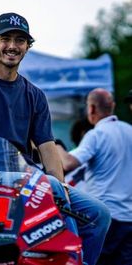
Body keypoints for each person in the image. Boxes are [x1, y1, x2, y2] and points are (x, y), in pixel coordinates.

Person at [0, 12, 110, 265]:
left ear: (27, 46)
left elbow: (47, 147)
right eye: (5, 38)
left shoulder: (35, 95)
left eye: (20, 40)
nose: (12, 46)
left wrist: (60, 189)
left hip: (24, 181)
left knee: (98, 213)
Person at [56, 88, 132, 265]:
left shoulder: (96, 134)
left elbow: (68, 163)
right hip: (130, 219)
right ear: (112, 106)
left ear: (91, 109)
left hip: (107, 218)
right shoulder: (130, 130)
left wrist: (55, 146)